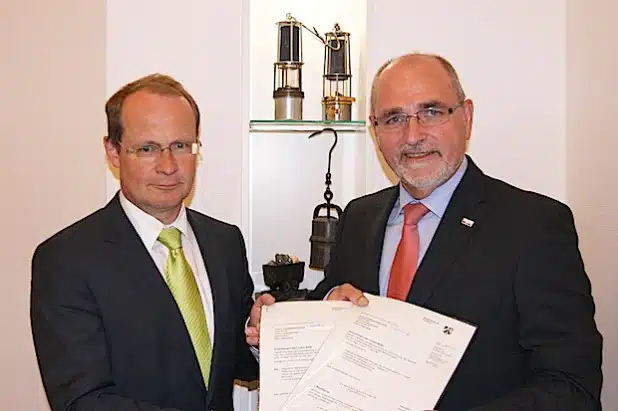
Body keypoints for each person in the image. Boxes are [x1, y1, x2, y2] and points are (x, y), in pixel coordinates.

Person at [247, 53, 603, 410]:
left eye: (431, 112)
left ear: (466, 117)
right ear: (374, 130)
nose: (413, 135)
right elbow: (334, 314)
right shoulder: (359, 217)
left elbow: (571, 387)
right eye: (394, 118)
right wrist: (277, 332)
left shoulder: (533, 225)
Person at [31, 73, 257, 411]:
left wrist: (262, 339)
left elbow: (238, 364)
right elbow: (82, 401)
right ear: (113, 152)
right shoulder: (66, 260)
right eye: (148, 149)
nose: (168, 166)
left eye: (181, 146)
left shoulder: (225, 242)